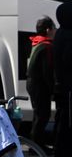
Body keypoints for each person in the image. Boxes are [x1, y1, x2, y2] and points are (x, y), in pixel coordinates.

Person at [27, 16, 56, 147]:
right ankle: (37, 145)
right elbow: (47, 71)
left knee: (38, 114)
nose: (55, 31)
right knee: (42, 115)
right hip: (40, 86)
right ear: (48, 29)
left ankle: (36, 143)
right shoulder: (46, 47)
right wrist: (53, 88)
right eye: (54, 28)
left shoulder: (37, 43)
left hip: (33, 84)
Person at [52, 3, 72, 157]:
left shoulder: (60, 33)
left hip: (61, 85)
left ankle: (60, 156)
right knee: (66, 122)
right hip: (68, 86)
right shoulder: (68, 35)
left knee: (62, 120)